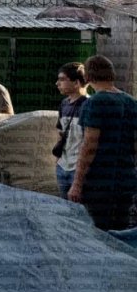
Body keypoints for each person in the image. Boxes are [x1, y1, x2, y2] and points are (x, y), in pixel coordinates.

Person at [67, 55, 137, 230]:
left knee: (97, 233)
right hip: (126, 180)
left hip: (99, 183)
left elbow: (89, 145)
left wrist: (76, 184)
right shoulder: (131, 102)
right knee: (121, 231)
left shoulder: (94, 103)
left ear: (88, 77)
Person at [53, 62, 88, 198]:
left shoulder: (89, 106)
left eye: (62, 79)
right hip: (62, 167)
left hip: (79, 170)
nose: (57, 83)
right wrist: (58, 161)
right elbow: (60, 132)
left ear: (76, 83)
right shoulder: (64, 104)